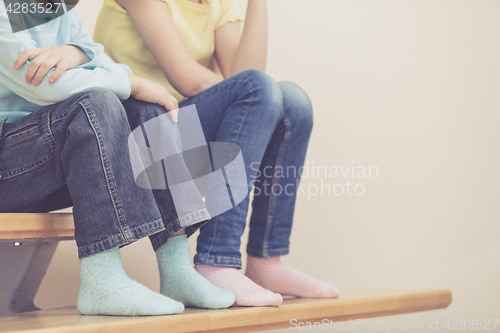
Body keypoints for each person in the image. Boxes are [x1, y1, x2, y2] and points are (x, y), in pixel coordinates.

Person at [0, 0, 242, 315]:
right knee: (97, 103)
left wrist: (77, 52)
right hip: (9, 166)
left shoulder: (58, 8)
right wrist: (132, 81)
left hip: (45, 158)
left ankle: (177, 269)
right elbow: (43, 85)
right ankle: (101, 278)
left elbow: (98, 55)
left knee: (149, 111)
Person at [94, 0, 340, 307]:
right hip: (130, 137)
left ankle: (266, 261)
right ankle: (216, 258)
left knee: (293, 103)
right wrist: (247, 98)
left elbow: (248, 75)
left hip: (175, 130)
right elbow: (188, 78)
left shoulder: (216, 4)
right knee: (259, 91)